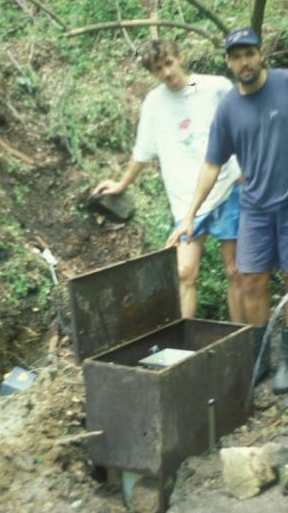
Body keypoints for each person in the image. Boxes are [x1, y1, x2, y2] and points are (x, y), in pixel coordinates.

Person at [166, 27, 288, 393]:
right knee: (250, 279)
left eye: (249, 53)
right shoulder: (228, 109)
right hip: (255, 206)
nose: (244, 62)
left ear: (261, 53)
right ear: (229, 62)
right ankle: (260, 358)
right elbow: (211, 165)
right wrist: (190, 213)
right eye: (236, 56)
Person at [93, 39, 244, 321]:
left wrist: (246, 167)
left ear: (180, 58)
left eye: (169, 64)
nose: (166, 73)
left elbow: (243, 127)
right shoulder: (154, 103)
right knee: (183, 271)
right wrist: (122, 184)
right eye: (158, 69)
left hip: (227, 188)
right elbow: (142, 151)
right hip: (186, 200)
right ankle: (184, 347)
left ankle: (240, 342)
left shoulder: (215, 87)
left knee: (234, 271)